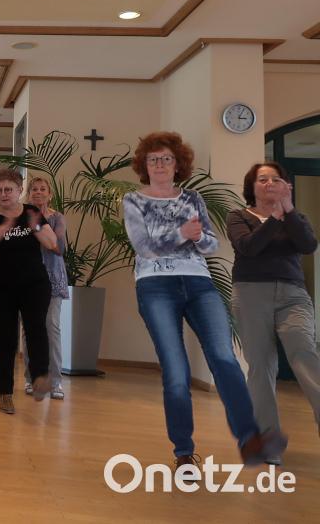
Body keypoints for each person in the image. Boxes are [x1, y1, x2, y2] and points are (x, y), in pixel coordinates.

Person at [123, 131, 286, 471]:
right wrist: (182, 233)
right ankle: (183, 451)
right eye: (154, 159)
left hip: (199, 283)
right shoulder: (133, 201)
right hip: (154, 286)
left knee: (225, 359)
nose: (161, 165)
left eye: (167, 159)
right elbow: (144, 246)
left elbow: (212, 245)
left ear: (177, 163)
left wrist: (198, 238)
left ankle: (249, 440)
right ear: (144, 165)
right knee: (177, 371)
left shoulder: (194, 198)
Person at [227, 162, 320, 462]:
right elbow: (249, 247)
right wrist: (274, 220)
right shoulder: (238, 217)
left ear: (286, 186)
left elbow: (308, 245)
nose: (269, 183)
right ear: (251, 187)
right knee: (261, 367)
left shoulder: (296, 218)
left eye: (275, 179)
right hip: (251, 294)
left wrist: (288, 212)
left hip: (293, 294)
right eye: (262, 179)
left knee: (304, 351)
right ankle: (269, 442)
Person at [0, 169, 57, 415]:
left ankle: (41, 377)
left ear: (19, 190)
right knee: (7, 336)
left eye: (8, 189)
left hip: (33, 284)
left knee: (36, 329)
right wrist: (6, 226)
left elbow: (52, 243)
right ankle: (5, 393)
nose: (3, 194)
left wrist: (35, 227)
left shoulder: (32, 213)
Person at [22, 176, 69, 400]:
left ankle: (56, 381)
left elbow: (58, 246)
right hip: (27, 278)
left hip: (52, 277)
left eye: (43, 189)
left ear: (50, 194)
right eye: (34, 189)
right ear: (28, 194)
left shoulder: (57, 217)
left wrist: (40, 228)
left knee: (52, 327)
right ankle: (31, 378)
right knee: (28, 329)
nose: (38, 192)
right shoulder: (21, 216)